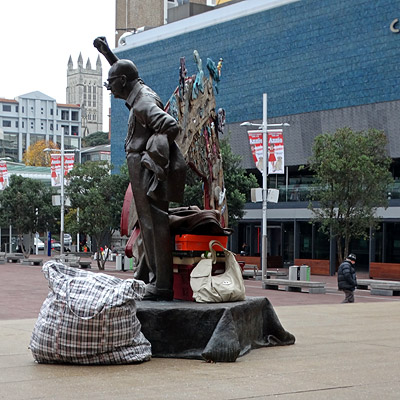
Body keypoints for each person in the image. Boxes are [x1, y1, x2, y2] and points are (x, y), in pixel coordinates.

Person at [95, 37, 186, 301]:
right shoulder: (139, 89)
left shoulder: (143, 102)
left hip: (145, 166)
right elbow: (129, 73)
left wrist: (152, 156)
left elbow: (171, 127)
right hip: (140, 165)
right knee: (145, 224)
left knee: (153, 223)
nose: (110, 90)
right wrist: (109, 55)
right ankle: (146, 275)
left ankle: (161, 285)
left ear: (122, 82)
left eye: (111, 84)